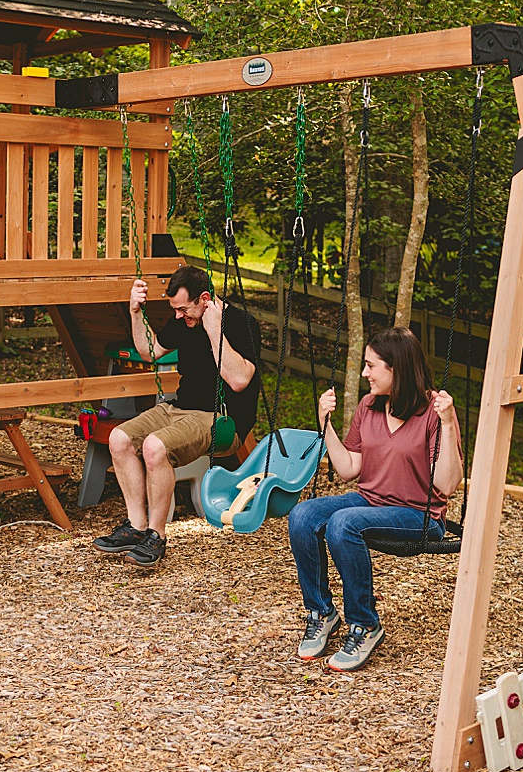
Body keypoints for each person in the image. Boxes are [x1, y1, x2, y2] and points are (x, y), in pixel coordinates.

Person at [288, 326, 463, 671]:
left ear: (396, 367)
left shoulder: (432, 412)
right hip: (371, 501)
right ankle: (321, 612)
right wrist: (326, 425)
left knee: (343, 522)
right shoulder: (369, 406)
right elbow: (349, 468)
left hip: (418, 515)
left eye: (372, 366)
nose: (365, 373)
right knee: (303, 515)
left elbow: (445, 484)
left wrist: (448, 423)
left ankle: (364, 623)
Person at [92, 264, 261, 569]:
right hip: (177, 409)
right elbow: (148, 351)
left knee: (155, 447)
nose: (179, 316)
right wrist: (135, 312)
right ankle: (137, 526)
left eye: (184, 309)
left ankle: (157, 536)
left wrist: (214, 330)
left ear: (204, 298)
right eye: (175, 310)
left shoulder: (240, 322)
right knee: (119, 439)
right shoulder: (183, 320)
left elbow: (238, 381)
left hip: (220, 418)